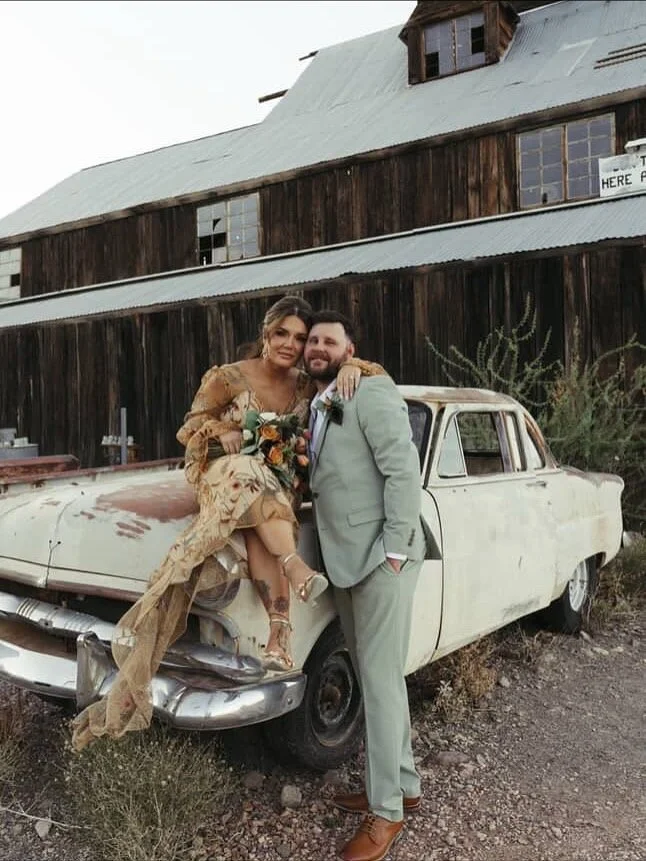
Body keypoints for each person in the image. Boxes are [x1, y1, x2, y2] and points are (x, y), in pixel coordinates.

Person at [71, 295, 383, 751]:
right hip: (221, 471)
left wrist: (360, 368)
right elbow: (191, 426)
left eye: (300, 338)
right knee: (247, 476)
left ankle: (278, 636)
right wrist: (224, 433)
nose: (292, 345)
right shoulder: (228, 377)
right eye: (284, 334)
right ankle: (294, 570)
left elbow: (360, 370)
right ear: (266, 333)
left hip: (272, 483)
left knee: (259, 509)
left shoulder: (305, 386)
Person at [303, 310, 426, 861]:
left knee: (376, 686)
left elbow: (403, 470)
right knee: (380, 677)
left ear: (349, 349)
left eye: (329, 340)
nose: (317, 347)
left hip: (381, 557)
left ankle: (387, 816)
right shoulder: (324, 401)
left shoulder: (371, 390)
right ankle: (404, 786)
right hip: (345, 559)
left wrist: (395, 551)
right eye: (312, 340)